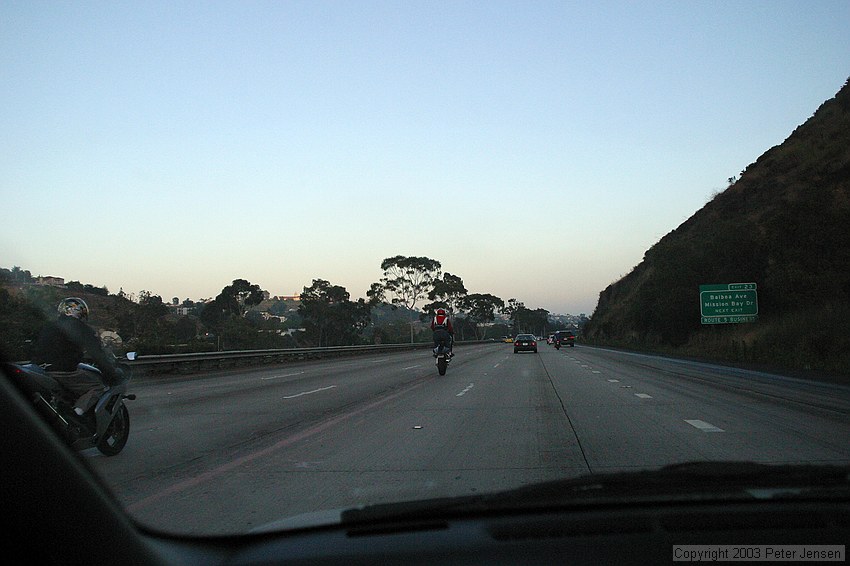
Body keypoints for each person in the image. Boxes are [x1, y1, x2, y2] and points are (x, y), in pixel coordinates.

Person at [31, 297, 120, 416]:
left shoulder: (49, 326)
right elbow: (98, 355)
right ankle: (77, 416)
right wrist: (112, 375)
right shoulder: (81, 328)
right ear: (81, 312)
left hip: (38, 369)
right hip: (62, 370)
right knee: (97, 387)